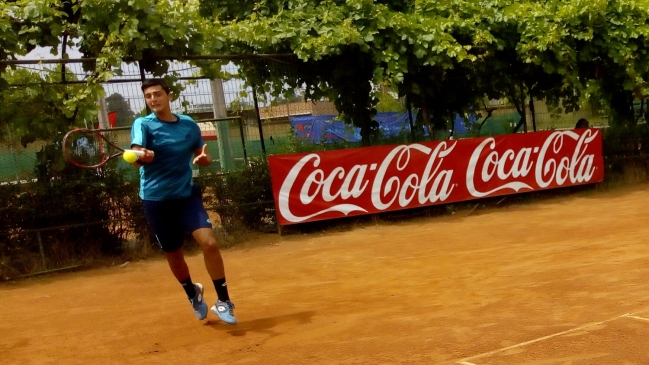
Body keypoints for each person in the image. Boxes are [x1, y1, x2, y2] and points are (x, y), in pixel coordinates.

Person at [129, 78, 237, 324]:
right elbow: (135, 157)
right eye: (148, 96)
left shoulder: (188, 124)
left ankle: (223, 301)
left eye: (157, 94)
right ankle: (192, 292)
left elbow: (203, 154)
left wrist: (204, 158)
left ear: (169, 96)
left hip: (187, 196)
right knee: (174, 255)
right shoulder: (143, 124)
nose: (153, 99)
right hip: (157, 201)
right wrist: (141, 157)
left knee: (209, 243)